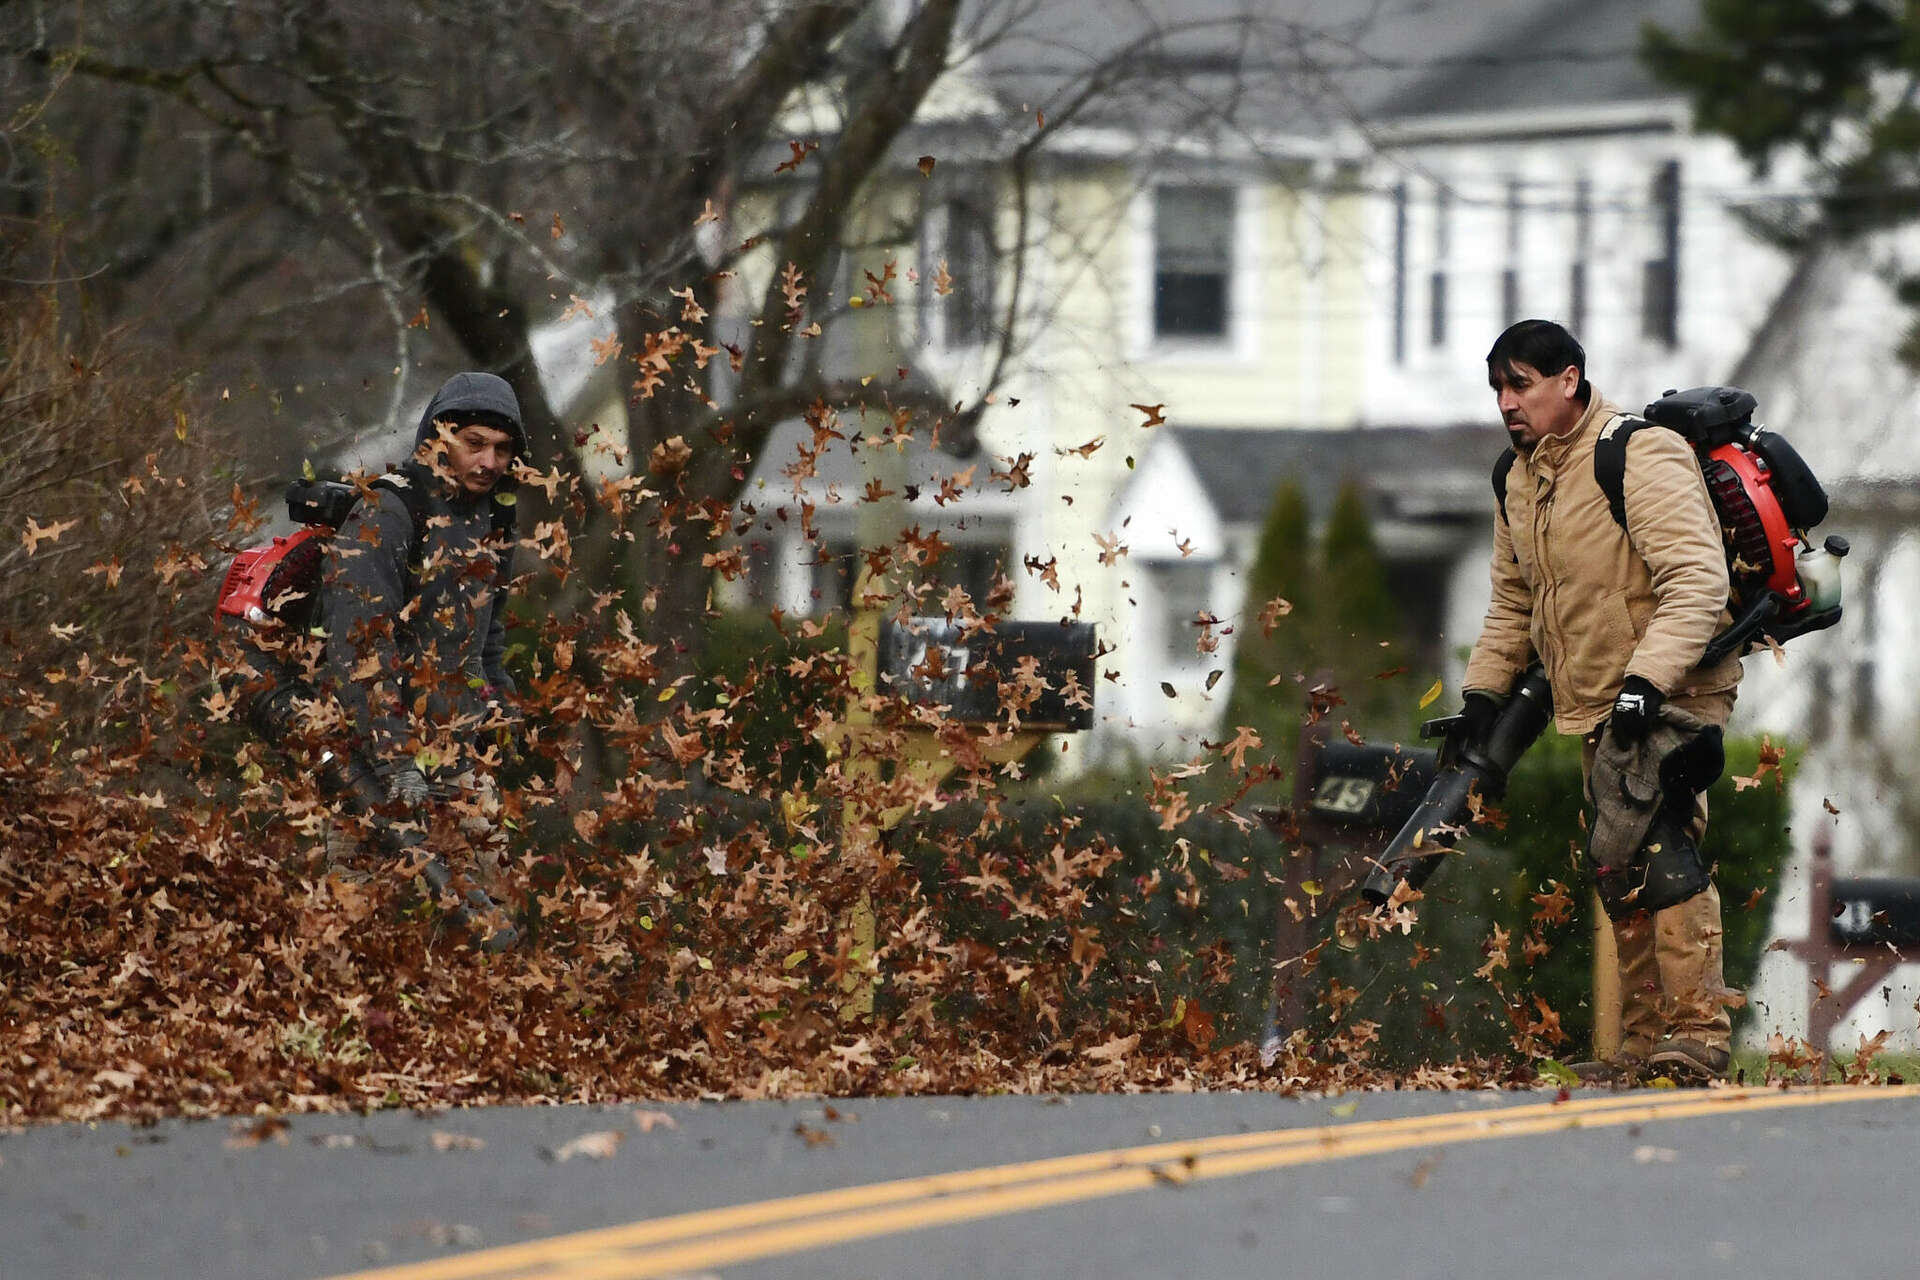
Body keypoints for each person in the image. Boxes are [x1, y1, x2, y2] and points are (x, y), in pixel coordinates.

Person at [1458, 320, 1743, 1084]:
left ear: (1569, 380)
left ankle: (1698, 1035)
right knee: (1617, 861)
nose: (1507, 404)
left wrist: (1647, 683)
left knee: (1661, 845)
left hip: (1675, 687)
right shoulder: (1516, 478)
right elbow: (1512, 604)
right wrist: (1483, 694)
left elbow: (1696, 582)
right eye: (1498, 389)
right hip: (1598, 700)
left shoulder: (1636, 452)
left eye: (1520, 385)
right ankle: (1645, 1047)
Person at [319, 371, 527, 950]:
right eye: (475, 443)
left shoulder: (496, 518)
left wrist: (499, 706)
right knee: (360, 926)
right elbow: (359, 644)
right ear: (439, 437)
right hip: (371, 754)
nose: (490, 461)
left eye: (503, 449)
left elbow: (488, 635)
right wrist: (394, 757)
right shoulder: (389, 509)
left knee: (489, 922)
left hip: (458, 749)